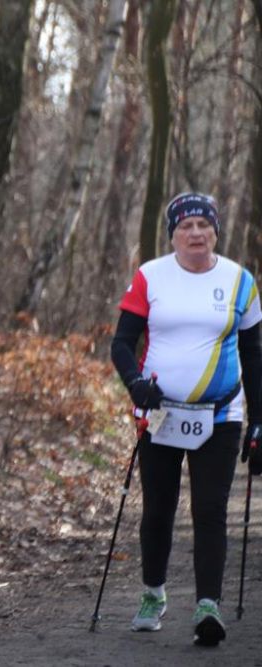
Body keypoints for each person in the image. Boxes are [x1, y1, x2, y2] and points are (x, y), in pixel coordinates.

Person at [110, 191, 262, 646]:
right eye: (185, 226)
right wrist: (136, 384)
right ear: (172, 234)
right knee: (159, 507)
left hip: (221, 414)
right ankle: (153, 594)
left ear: (216, 231)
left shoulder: (241, 282)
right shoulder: (150, 276)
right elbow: (121, 344)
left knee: (210, 509)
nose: (195, 233)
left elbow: (254, 355)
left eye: (203, 225)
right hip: (160, 413)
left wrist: (259, 420)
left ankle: (207, 606)